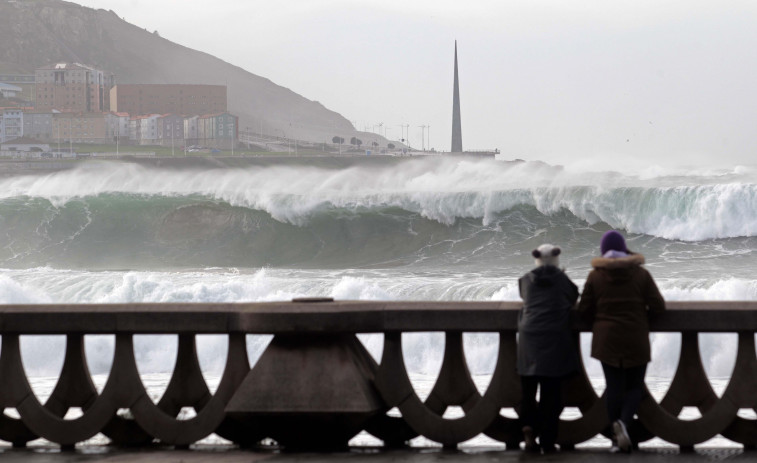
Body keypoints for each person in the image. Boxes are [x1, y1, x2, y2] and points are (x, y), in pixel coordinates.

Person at [578, 230, 665, 453]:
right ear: (624, 248)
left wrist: (598, 323)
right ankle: (624, 424)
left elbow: (584, 310)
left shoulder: (595, 276)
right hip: (636, 337)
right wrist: (644, 322)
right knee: (634, 387)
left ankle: (616, 440)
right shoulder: (640, 275)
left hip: (606, 341)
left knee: (614, 387)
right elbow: (658, 306)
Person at [517, 243, 580, 453]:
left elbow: (523, 294)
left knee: (528, 390)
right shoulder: (561, 280)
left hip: (528, 339)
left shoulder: (526, 280)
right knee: (550, 394)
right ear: (556, 258)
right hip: (553, 340)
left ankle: (527, 426)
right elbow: (574, 295)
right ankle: (547, 440)